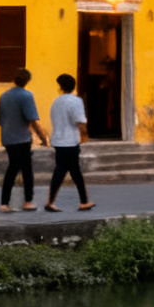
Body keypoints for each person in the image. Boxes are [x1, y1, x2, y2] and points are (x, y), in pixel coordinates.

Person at [0, 68, 43, 211]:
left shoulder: (4, 96)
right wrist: (42, 137)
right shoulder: (27, 96)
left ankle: (5, 202)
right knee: (26, 170)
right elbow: (32, 119)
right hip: (22, 138)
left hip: (7, 137)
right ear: (27, 81)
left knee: (13, 168)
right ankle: (27, 201)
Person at [44, 73, 93, 211]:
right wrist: (84, 136)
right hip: (70, 141)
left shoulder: (56, 102)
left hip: (59, 141)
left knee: (69, 171)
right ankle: (53, 202)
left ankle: (82, 201)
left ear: (60, 87)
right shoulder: (76, 101)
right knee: (68, 172)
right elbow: (80, 121)